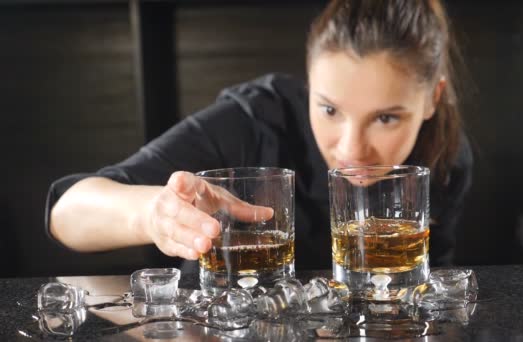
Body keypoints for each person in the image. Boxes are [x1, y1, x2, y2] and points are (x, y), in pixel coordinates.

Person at [46, 0, 472, 272]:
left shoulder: (445, 157)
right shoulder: (254, 119)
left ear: (432, 100)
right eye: (329, 109)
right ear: (310, 81)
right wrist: (152, 215)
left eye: (386, 119)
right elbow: (66, 211)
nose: (350, 148)